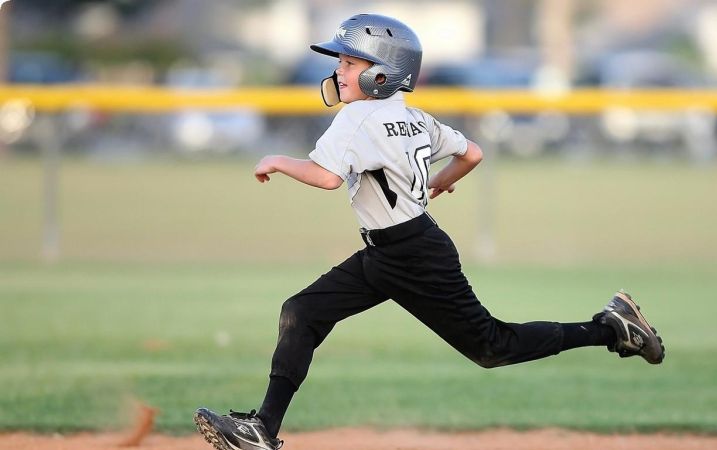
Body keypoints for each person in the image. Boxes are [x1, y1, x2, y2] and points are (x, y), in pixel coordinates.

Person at [194, 14, 665, 450]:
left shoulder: (358, 117)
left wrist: (277, 161)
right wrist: (438, 184)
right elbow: (472, 153)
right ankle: (262, 430)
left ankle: (610, 328)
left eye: (351, 61)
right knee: (302, 311)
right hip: (393, 251)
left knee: (492, 347)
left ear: (384, 72)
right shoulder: (413, 116)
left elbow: (326, 176)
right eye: (340, 60)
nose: (340, 70)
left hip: (413, 257)